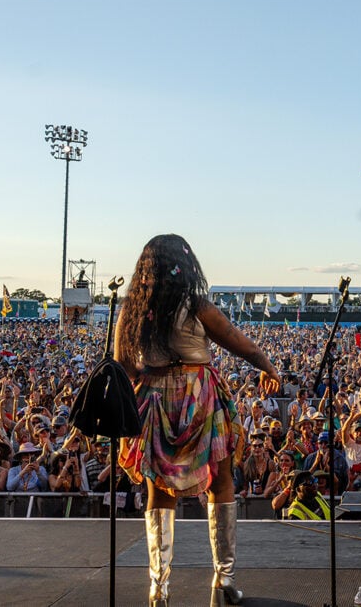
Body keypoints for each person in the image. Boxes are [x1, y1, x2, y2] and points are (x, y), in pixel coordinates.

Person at [115, 234, 281, 607]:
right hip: (200, 394)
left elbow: (122, 363)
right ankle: (224, 579)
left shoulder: (133, 309)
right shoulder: (198, 306)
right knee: (221, 484)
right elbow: (242, 344)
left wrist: (147, 374)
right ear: (187, 267)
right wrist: (269, 366)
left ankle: (160, 586)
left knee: (158, 490)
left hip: (155, 396)